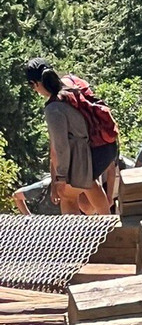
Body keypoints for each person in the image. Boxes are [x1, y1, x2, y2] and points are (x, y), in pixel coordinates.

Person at [25, 59, 114, 215]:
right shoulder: (70, 83)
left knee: (66, 194)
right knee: (86, 182)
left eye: (31, 86)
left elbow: (60, 147)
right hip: (107, 144)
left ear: (35, 83)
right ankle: (108, 222)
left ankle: (80, 231)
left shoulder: (53, 108)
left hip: (91, 151)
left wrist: (60, 179)